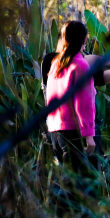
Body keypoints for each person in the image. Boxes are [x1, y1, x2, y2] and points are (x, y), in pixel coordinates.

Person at [41, 28, 110, 160]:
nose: (83, 46)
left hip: (80, 127)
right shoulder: (52, 60)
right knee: (80, 173)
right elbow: (84, 62)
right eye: (81, 43)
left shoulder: (79, 61)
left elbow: (100, 78)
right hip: (70, 130)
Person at [44, 21, 103, 171]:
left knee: (68, 182)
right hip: (74, 132)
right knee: (86, 182)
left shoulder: (56, 64)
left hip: (56, 131)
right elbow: (83, 103)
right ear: (84, 40)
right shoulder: (80, 65)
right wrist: (89, 135)